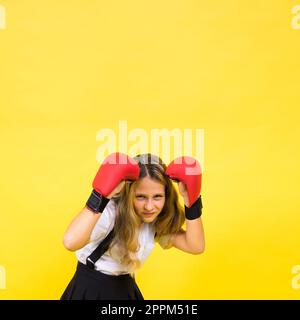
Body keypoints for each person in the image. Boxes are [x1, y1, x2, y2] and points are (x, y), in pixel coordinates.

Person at [60, 152, 205, 300]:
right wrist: (100, 196)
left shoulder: (154, 221)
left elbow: (195, 246)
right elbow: (70, 242)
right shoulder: (110, 213)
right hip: (91, 290)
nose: (149, 207)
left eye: (157, 197)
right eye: (141, 196)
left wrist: (191, 201)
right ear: (129, 193)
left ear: (166, 196)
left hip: (126, 289)